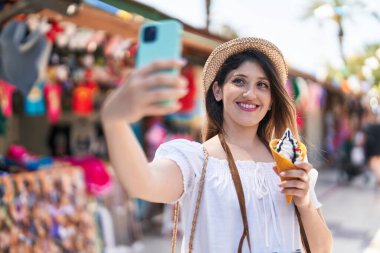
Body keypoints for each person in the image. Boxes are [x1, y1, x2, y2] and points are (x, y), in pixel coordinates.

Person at [101, 37, 333, 252]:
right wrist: (114, 122)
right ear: (218, 90)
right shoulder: (196, 161)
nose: (250, 93)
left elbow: (322, 248)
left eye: (262, 85)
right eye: (239, 81)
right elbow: (143, 183)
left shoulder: (290, 165)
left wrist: (304, 203)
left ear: (272, 100)